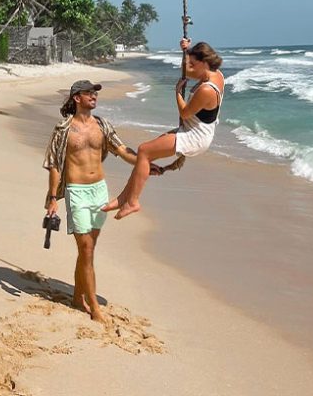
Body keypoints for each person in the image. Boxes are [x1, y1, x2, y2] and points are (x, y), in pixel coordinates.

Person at [42, 78, 162, 322]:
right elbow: (54, 165)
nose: (94, 96)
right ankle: (94, 306)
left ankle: (77, 297)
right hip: (76, 191)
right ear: (77, 98)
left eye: (95, 93)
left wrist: (145, 163)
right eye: (89, 93)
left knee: (88, 250)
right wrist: (53, 198)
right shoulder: (63, 129)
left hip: (99, 190)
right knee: (86, 248)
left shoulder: (102, 125)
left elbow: (121, 149)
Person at [102, 38, 224, 220]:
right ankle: (122, 199)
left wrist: (176, 92)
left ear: (204, 63)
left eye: (193, 63)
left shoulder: (207, 89)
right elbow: (189, 73)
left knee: (143, 151)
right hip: (195, 130)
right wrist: (186, 50)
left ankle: (132, 202)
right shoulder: (216, 74)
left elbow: (184, 113)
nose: (189, 67)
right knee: (145, 153)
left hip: (195, 137)